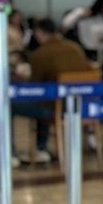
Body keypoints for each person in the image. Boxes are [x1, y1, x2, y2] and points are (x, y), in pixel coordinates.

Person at [18, 17, 93, 161]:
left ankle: (31, 149)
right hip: (82, 105)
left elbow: (35, 87)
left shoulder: (40, 54)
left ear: (39, 33)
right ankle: (41, 147)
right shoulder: (75, 48)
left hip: (56, 108)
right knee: (45, 100)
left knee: (10, 105)